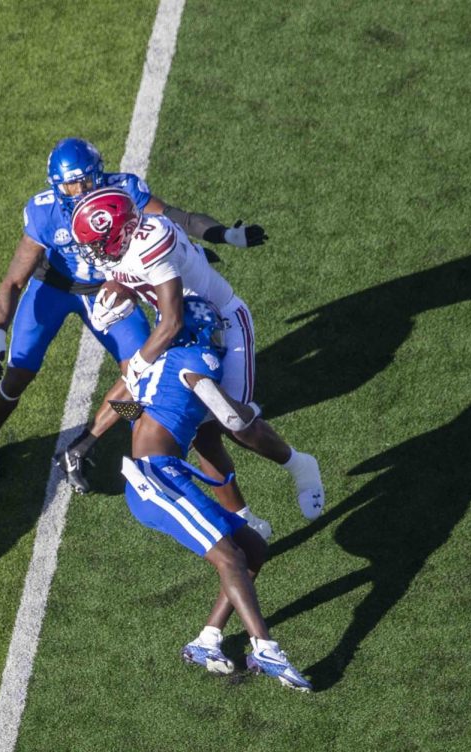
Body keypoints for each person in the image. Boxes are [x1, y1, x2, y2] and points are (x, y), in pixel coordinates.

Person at [0, 137, 268, 490]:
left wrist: (224, 234)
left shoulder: (122, 192)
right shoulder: (44, 212)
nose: (80, 190)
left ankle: (89, 443)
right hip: (54, 287)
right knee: (18, 374)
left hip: (111, 290)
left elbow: (180, 218)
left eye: (86, 181)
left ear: (99, 175)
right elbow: (13, 280)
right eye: (71, 184)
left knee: (141, 382)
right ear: (56, 185)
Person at [69, 187, 325, 537]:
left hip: (213, 327)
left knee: (232, 421)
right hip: (172, 363)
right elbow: (127, 396)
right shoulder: (154, 382)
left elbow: (131, 388)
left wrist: (95, 432)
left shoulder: (169, 368)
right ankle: (244, 520)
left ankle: (297, 467)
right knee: (206, 434)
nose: (94, 253)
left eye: (99, 243)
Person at [116, 296, 314, 691]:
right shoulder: (197, 359)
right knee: (229, 557)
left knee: (254, 548)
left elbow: (118, 402)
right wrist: (242, 414)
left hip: (161, 472)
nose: (218, 338)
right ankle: (265, 647)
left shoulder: (155, 364)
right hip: (157, 480)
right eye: (212, 331)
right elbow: (227, 417)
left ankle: (208, 640)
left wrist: (148, 417)